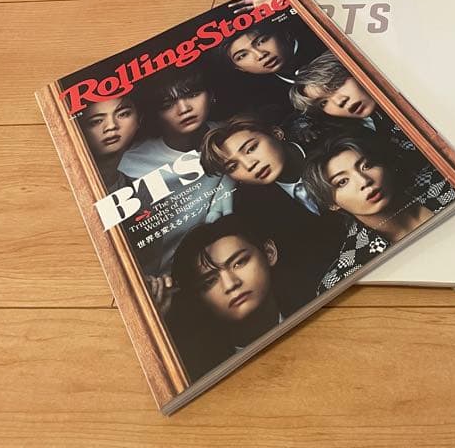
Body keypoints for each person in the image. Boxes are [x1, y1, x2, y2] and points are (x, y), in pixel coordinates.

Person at [200, 115, 346, 308]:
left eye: (251, 148)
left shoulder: (334, 146)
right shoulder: (252, 209)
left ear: (277, 134)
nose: (249, 165)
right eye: (233, 166)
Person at [303, 130, 455, 291]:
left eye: (366, 166)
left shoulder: (445, 181)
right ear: (332, 203)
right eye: (342, 182)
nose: (364, 181)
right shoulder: (347, 276)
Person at [119, 72, 235, 275]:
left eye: (192, 95)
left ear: (211, 95)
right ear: (154, 113)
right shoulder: (130, 163)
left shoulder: (232, 137)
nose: (184, 109)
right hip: (158, 277)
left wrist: (229, 177)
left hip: (219, 266)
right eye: (167, 104)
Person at [164, 215, 285, 380]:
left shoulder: (313, 297)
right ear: (199, 298)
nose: (230, 285)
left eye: (239, 263)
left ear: (269, 253)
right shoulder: (202, 372)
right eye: (210, 281)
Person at [289, 52, 415, 151]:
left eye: (337, 85)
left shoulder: (409, 88)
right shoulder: (366, 134)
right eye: (323, 103)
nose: (339, 101)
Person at [77, 94, 142, 191]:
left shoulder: (142, 190)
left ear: (139, 119)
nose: (111, 126)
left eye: (123, 114)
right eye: (96, 121)